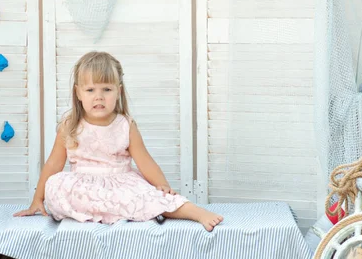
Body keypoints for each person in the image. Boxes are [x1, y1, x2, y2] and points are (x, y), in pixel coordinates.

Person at [14, 51, 223, 231]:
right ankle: (114, 211)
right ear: (78, 93)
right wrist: (37, 200)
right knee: (56, 186)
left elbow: (145, 161)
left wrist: (162, 185)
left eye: (107, 89)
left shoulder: (126, 125)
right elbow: (53, 164)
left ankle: (196, 213)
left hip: (120, 183)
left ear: (118, 91)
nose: (99, 97)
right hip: (83, 185)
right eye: (90, 90)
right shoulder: (70, 125)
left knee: (151, 197)